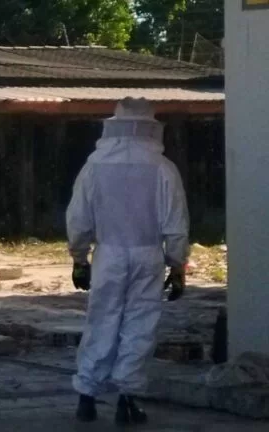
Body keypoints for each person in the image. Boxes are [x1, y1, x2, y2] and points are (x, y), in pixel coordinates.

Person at [66, 97, 189, 425]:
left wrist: (79, 258)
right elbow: (175, 224)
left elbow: (78, 218)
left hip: (108, 254)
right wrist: (177, 267)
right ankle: (127, 399)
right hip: (148, 255)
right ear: (151, 127)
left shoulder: (94, 165)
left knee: (101, 320)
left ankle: (86, 398)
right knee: (139, 325)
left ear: (113, 125)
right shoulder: (163, 168)